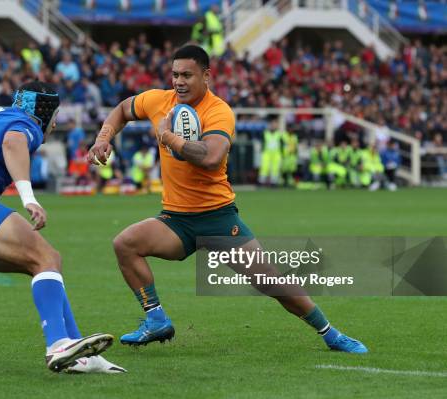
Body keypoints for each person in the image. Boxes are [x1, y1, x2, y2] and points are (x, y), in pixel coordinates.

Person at [87, 45, 367, 353]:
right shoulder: (159, 100)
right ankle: (156, 318)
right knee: (125, 244)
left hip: (217, 219)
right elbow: (124, 109)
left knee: (271, 283)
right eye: (175, 74)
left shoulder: (218, 111)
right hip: (176, 220)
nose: (179, 81)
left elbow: (210, 156)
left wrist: (168, 138)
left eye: (187, 75)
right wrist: (103, 137)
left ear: (206, 76)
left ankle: (330, 334)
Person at [0, 81, 123, 374]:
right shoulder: (24, 123)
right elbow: (12, 143)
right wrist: (29, 198)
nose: (55, 123)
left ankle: (78, 354)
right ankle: (57, 346)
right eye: (54, 115)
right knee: (46, 259)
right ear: (43, 112)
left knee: (45, 263)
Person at [258, 118, 282, 186]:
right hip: (267, 153)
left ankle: (274, 182)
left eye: (275, 124)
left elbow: (281, 145)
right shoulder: (265, 133)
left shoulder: (279, 134)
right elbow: (262, 143)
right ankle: (261, 182)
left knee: (275, 169)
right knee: (264, 167)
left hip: (276, 154)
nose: (274, 126)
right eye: (272, 124)